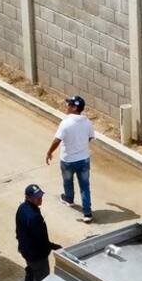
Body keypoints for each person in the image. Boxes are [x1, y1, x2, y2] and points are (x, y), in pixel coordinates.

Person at [45, 95, 94, 224]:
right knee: (84, 186)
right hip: (83, 159)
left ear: (74, 108)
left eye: (69, 105)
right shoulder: (87, 122)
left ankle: (69, 199)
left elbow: (57, 140)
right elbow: (90, 138)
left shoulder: (66, 123)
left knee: (68, 181)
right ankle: (87, 213)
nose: (66, 106)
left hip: (68, 160)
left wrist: (49, 152)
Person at [15, 184, 60, 281]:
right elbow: (41, 240)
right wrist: (53, 246)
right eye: (37, 197)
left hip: (26, 252)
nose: (40, 199)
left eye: (40, 196)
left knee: (31, 273)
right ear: (28, 198)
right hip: (37, 257)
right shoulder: (34, 217)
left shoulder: (22, 208)